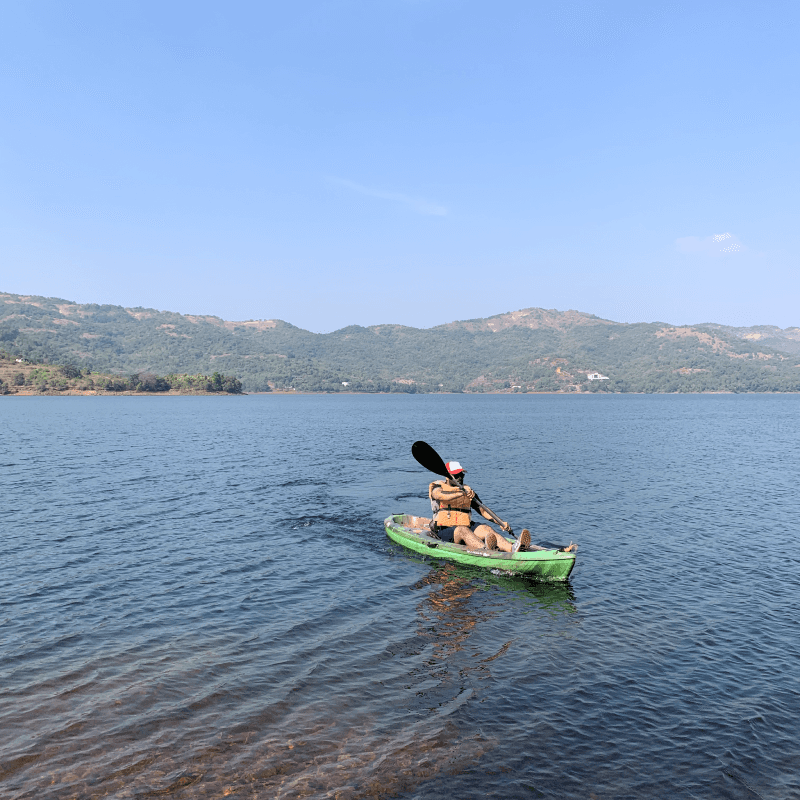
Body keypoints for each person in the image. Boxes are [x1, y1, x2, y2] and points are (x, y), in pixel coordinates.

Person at [428, 460, 530, 553]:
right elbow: (440, 495)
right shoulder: (438, 487)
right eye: (456, 475)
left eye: (461, 474)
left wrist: (500, 522)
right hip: (444, 530)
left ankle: (512, 548)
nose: (460, 477)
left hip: (466, 526)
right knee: (462, 530)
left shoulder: (468, 491)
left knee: (485, 528)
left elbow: (483, 510)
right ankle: (486, 550)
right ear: (447, 476)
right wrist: (462, 493)